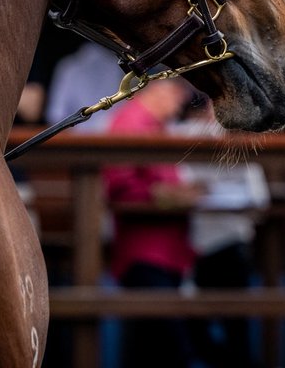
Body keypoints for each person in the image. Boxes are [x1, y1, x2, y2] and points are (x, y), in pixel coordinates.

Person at [103, 79, 203, 368]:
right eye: (178, 98)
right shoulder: (131, 124)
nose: (179, 107)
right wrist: (170, 196)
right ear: (161, 90)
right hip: (145, 254)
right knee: (168, 347)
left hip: (164, 253)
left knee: (150, 347)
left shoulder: (151, 126)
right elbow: (119, 188)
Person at [174, 101, 269, 368]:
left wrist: (207, 191)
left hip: (228, 247)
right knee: (193, 333)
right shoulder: (183, 135)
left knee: (234, 331)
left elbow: (259, 200)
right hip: (191, 250)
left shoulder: (238, 139)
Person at [45, 42, 126, 132]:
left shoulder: (68, 66)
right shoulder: (69, 67)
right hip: (106, 136)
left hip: (109, 135)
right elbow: (56, 116)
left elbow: (56, 116)